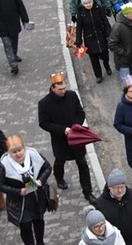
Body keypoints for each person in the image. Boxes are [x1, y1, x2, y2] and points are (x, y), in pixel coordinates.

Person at [37, 72, 96, 203]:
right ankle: (59, 176)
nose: (63, 91)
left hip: (76, 137)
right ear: (53, 88)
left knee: (82, 162)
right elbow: (44, 123)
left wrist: (75, 126)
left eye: (64, 88)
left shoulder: (72, 95)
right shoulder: (44, 103)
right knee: (60, 160)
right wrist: (63, 130)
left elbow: (80, 113)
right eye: (60, 89)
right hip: (60, 140)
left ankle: (88, 191)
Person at [0, 135, 52, 245]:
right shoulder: (5, 164)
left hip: (37, 198)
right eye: (14, 152)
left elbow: (47, 168)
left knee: (39, 221)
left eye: (19, 150)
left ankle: (40, 242)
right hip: (19, 202)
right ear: (10, 153)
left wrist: (40, 181)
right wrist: (17, 191)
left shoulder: (33, 155)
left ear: (24, 149)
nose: (18, 154)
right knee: (25, 227)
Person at [75, 0, 112, 82]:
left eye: (90, 2)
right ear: (83, 4)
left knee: (105, 55)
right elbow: (79, 27)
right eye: (86, 3)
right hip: (89, 38)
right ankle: (98, 75)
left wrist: (108, 32)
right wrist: (78, 40)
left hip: (101, 36)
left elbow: (105, 20)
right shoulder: (80, 13)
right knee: (94, 59)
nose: (88, 5)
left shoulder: (98, 9)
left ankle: (107, 66)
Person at [108, 2, 132, 79]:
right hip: (123, 63)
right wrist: (124, 53)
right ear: (127, 15)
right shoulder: (117, 27)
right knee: (127, 85)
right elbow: (112, 45)